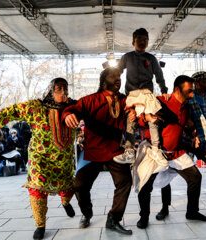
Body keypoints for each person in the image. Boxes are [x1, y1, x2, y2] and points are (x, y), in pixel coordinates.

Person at [0, 78, 76, 240]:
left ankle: (66, 203)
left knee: (67, 185)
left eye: (65, 89)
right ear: (50, 90)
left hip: (64, 158)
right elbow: (11, 111)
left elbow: (93, 108)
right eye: (58, 89)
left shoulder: (74, 107)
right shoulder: (36, 107)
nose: (63, 92)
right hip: (40, 157)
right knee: (37, 187)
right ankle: (40, 225)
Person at [155, 71, 206, 222]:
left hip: (198, 141)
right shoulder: (185, 96)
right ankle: (165, 207)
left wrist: (201, 135)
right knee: (165, 170)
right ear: (197, 83)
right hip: (177, 143)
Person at [63, 68, 134, 235]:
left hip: (115, 151)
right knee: (80, 185)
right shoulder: (89, 100)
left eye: (119, 76)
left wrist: (135, 115)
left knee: (125, 182)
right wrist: (67, 115)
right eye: (113, 76)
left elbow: (142, 111)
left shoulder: (125, 101)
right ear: (103, 81)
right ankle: (86, 213)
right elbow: (71, 109)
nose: (118, 79)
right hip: (93, 151)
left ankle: (113, 219)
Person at [135, 75, 206, 229]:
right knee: (145, 185)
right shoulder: (161, 101)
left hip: (176, 152)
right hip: (156, 153)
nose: (192, 95)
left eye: (193, 92)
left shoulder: (187, 107)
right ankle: (144, 217)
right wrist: (146, 117)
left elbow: (188, 125)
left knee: (195, 177)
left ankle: (192, 212)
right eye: (189, 91)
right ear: (177, 89)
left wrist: (194, 134)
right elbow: (141, 120)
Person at [116, 28, 169, 163]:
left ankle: (157, 149)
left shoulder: (151, 58)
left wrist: (164, 90)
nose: (142, 41)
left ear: (148, 42)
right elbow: (117, 72)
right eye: (139, 39)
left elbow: (159, 75)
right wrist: (112, 88)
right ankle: (129, 151)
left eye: (145, 39)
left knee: (152, 119)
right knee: (130, 119)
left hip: (147, 93)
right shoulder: (127, 57)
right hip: (132, 94)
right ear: (133, 41)